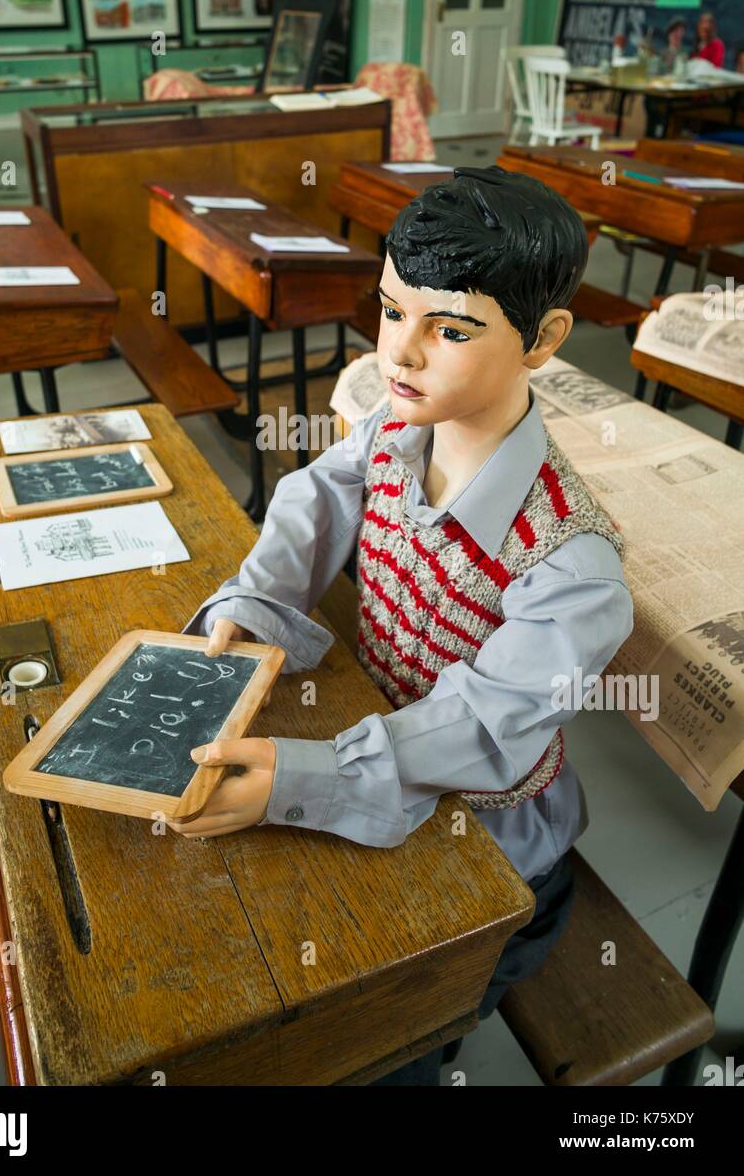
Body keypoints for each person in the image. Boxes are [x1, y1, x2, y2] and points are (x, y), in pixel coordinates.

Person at [171, 167, 634, 1085]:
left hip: (493, 859)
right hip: (377, 739)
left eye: (450, 329)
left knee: (375, 1039)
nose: (401, 355)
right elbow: (318, 495)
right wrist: (255, 604)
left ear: (543, 340)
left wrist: (302, 777)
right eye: (390, 312)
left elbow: (482, 726)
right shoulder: (398, 427)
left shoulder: (572, 566)